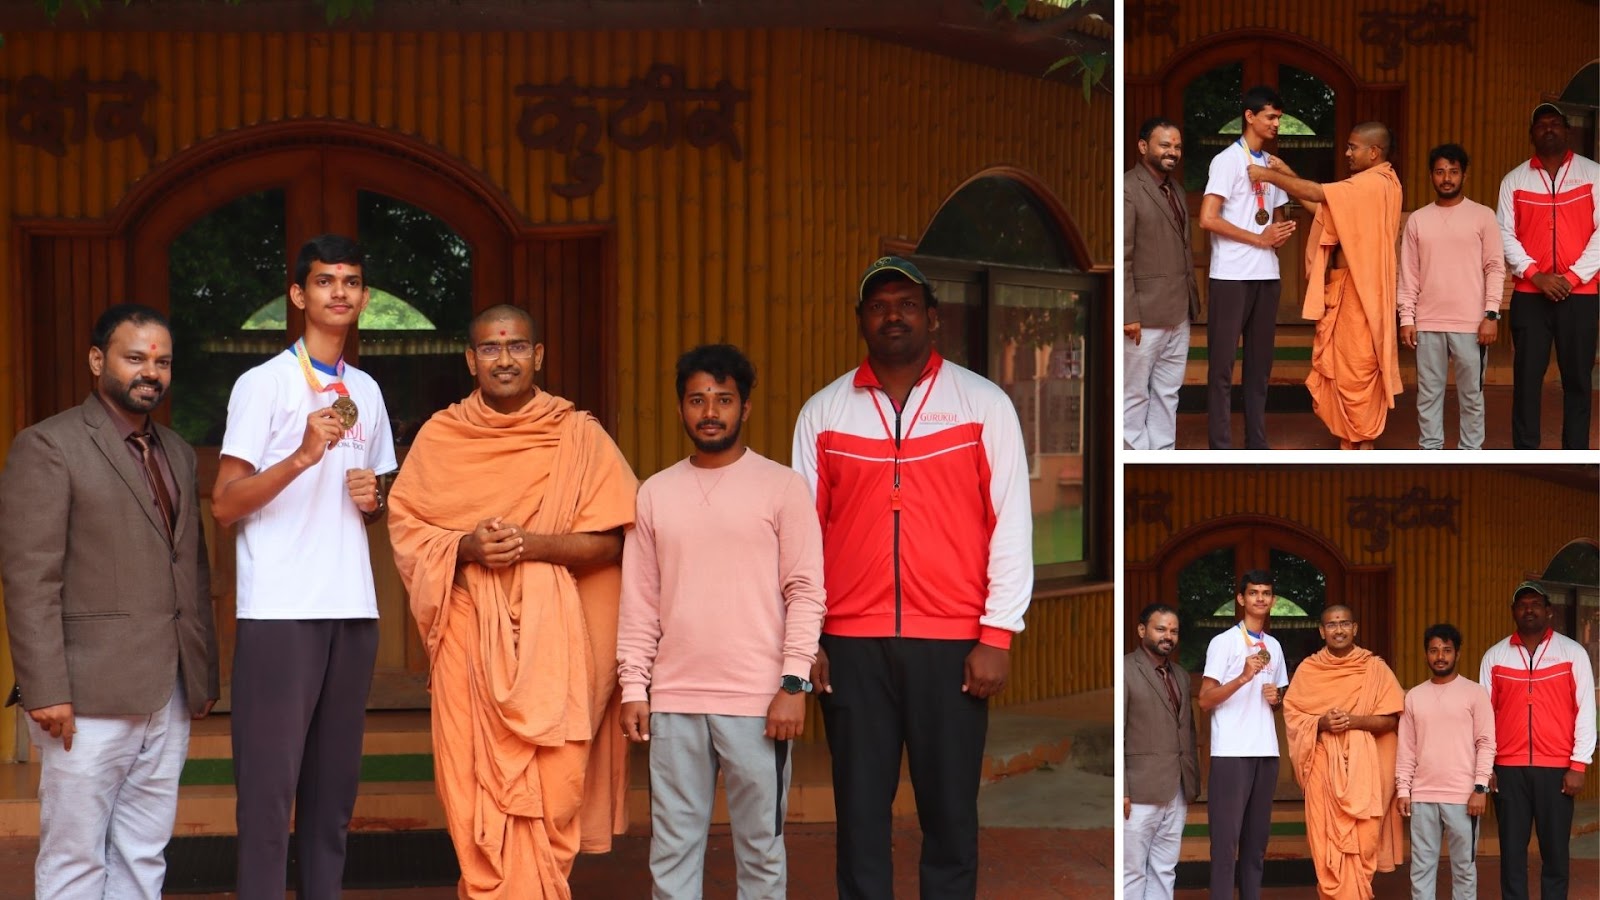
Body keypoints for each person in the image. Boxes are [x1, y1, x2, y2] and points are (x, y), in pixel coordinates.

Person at [792, 255, 1032, 898]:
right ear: (861, 321)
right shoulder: (823, 413)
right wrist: (805, 638)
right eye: (878, 305)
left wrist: (997, 634)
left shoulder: (983, 403)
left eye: (905, 304)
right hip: (849, 646)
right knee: (860, 815)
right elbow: (801, 540)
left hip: (954, 644)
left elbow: (1010, 523)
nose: (891, 315)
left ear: (933, 318)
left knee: (950, 814)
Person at [387, 304, 635, 899]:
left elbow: (613, 542)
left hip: (561, 644)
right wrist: (466, 546)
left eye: (517, 347)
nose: (505, 359)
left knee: (558, 783)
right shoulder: (441, 437)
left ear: (538, 356)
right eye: (492, 350)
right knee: (471, 780)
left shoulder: (578, 434)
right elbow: (408, 528)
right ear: (472, 361)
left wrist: (532, 545)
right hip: (470, 635)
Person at [0, 304, 219, 900]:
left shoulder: (175, 451)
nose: (151, 371)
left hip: (168, 690)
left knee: (143, 852)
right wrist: (45, 689)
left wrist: (199, 677)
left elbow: (191, 570)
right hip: (85, 693)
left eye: (163, 361)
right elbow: (29, 579)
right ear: (98, 361)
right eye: (135, 357)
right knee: (76, 856)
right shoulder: (48, 445)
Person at [210, 235, 397, 899]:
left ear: (364, 298)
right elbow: (226, 504)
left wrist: (375, 500)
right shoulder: (263, 385)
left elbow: (373, 498)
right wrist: (298, 456)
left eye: (350, 280)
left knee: (333, 795)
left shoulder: (367, 391)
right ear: (299, 295)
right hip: (280, 610)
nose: (339, 291)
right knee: (268, 795)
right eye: (324, 281)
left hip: (352, 607)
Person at [618, 343, 827, 899]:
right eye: (697, 399)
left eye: (723, 399)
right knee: (672, 851)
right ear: (682, 408)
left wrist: (793, 684)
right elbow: (639, 601)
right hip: (675, 700)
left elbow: (806, 593)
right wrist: (633, 686)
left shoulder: (782, 487)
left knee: (761, 852)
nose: (710, 411)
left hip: (759, 703)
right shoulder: (654, 493)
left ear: (745, 408)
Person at [1250, 122, 1404, 449]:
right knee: (1342, 366)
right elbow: (1323, 207)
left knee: (1358, 368)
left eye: (1353, 147)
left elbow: (1320, 193)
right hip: (1343, 287)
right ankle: (1350, 440)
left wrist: (1269, 176)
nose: (1347, 153)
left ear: (1374, 152)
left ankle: (1363, 442)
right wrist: (1288, 171)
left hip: (1363, 293)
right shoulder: (1361, 187)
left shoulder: (1375, 184)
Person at [1477, 581, 1595, 900]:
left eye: (1535, 604)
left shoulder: (1572, 653)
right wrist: (1485, 767)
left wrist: (1578, 765)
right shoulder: (1495, 656)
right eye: (1522, 604)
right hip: (1508, 770)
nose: (1528, 609)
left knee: (1555, 853)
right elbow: (1483, 718)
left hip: (1557, 770)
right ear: (1513, 612)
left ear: (1548, 611)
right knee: (1512, 854)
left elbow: (1585, 711)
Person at [1282, 605, 1405, 900]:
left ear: (1355, 628)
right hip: (1322, 766)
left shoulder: (1375, 668)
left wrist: (1354, 721)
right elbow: (1293, 716)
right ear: (1322, 631)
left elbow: (1391, 719)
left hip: (1367, 773)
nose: (1339, 629)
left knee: (1365, 840)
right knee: (1325, 843)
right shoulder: (1308, 670)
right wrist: (1321, 722)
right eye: (1332, 625)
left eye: (1344, 623)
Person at [1496, 103, 1600, 449]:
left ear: (1567, 131)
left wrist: (1571, 278)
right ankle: (1524, 452)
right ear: (1532, 135)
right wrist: (1536, 275)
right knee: (1527, 378)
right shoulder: (1514, 180)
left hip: (1580, 294)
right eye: (1541, 125)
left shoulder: (1593, 174)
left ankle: (1576, 454)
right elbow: (1505, 234)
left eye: (1555, 123)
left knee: (1578, 379)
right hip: (1530, 294)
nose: (1549, 129)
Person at [1198, 85, 1296, 449]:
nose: (1276, 124)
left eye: (1279, 118)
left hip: (1267, 276)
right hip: (1231, 277)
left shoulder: (1271, 163)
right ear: (1250, 116)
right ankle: (1220, 447)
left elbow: (1279, 213)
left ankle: (1257, 442)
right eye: (1271, 117)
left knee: (1260, 370)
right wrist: (1259, 238)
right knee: (1222, 370)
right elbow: (1207, 219)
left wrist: (1280, 232)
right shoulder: (1227, 161)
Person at [1397, 144, 1505, 450]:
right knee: (1428, 395)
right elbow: (1409, 273)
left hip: (1472, 324)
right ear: (1431, 175)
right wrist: (1407, 318)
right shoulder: (1418, 220)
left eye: (1454, 172)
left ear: (1464, 176)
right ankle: (1430, 453)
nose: (1447, 178)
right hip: (1428, 321)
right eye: (1441, 171)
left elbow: (1495, 267)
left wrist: (1491, 315)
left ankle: (1471, 454)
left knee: (1472, 396)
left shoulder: (1482, 216)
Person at [1197, 570, 1288, 900]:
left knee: (1256, 844)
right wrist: (1242, 677)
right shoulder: (1224, 643)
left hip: (1266, 751)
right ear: (1241, 598)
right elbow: (1205, 699)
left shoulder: (1274, 646)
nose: (1260, 598)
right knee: (1225, 844)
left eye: (1266, 593)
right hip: (1231, 753)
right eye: (1253, 592)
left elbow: (1275, 701)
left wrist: (1276, 700)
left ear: (1273, 600)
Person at [1395, 623, 1495, 900]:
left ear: (1457, 654)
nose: (1440, 656)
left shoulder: (1475, 693)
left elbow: (1486, 743)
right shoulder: (1414, 696)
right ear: (1426, 654)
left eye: (1446, 650)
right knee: (1421, 869)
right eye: (1434, 650)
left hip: (1464, 798)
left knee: (1464, 869)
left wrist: (1480, 789)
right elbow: (1406, 748)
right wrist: (1404, 789)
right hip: (1422, 795)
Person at [1125, 117, 1202, 451]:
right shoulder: (1128, 189)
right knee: (1134, 393)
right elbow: (1123, 256)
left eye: (1177, 146)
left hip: (1177, 312)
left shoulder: (1176, 190)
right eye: (1165, 145)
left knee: (1168, 394)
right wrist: (1129, 313)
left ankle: (1160, 454)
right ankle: (1133, 459)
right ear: (1143, 147)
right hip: (1143, 315)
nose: (1173, 152)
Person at [1123, 604, 1200, 900]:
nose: (1168, 635)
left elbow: (1187, 732)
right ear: (1142, 630)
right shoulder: (1126, 669)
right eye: (1160, 629)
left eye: (1173, 630)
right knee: (1132, 871)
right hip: (1138, 791)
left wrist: (1190, 784)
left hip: (1176, 789)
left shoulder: (1179, 675)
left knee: (1164, 869)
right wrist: (1123, 789)